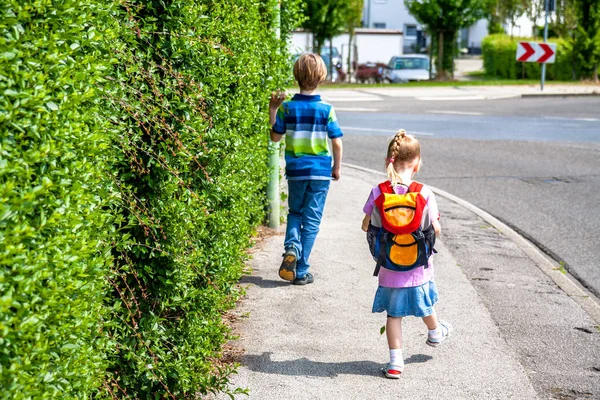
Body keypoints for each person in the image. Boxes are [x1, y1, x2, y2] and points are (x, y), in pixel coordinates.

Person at [361, 130, 451, 378]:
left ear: (389, 160)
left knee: (394, 315)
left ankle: (395, 363)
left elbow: (365, 225)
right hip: (418, 266)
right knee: (424, 303)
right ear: (417, 163)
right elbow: (436, 229)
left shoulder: (378, 192)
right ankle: (435, 333)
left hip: (389, 266)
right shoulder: (424, 193)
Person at [269, 53, 343, 285]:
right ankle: (301, 271)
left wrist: (273, 108)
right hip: (320, 172)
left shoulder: (287, 108)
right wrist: (336, 168)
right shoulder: (326, 109)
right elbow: (337, 141)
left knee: (295, 213)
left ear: (296, 76)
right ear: (322, 77)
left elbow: (275, 137)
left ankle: (292, 246)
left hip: (296, 171)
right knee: (311, 220)